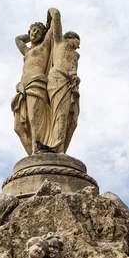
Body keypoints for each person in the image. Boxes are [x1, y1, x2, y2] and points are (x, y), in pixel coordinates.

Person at [12, 17, 54, 156]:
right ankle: (33, 154)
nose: (34, 33)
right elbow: (18, 39)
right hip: (23, 87)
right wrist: (31, 34)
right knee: (18, 126)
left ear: (43, 35)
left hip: (36, 83)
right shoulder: (27, 52)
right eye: (32, 30)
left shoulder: (44, 47)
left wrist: (46, 29)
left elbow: (54, 25)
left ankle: (37, 150)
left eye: (38, 31)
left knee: (33, 119)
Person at [46, 8, 81, 153]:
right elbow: (56, 14)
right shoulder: (59, 42)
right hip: (58, 79)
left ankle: (61, 148)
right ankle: (56, 147)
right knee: (60, 113)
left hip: (72, 85)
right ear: (71, 38)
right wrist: (50, 19)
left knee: (72, 121)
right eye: (77, 41)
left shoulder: (75, 55)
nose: (78, 46)